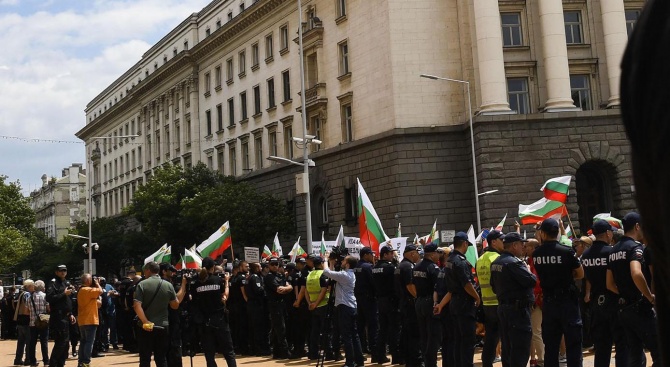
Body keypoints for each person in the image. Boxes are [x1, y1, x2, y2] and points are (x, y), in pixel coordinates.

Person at [606, 212, 659, 366]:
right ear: (637, 226)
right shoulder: (635, 248)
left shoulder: (613, 250)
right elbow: (636, 273)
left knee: (635, 355)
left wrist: (625, 293)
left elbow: (609, 284)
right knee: (659, 351)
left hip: (624, 309)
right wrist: (648, 296)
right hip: (640, 307)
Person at [532, 218, 584, 367]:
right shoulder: (567, 252)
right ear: (557, 232)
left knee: (551, 345)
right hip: (567, 301)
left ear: (542, 233)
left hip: (549, 302)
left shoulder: (537, 254)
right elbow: (580, 274)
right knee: (573, 343)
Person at [581, 220, 628, 367]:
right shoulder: (612, 252)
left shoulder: (585, 255)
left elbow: (586, 277)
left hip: (596, 304)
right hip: (614, 301)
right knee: (622, 344)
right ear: (608, 233)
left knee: (601, 347)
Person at [491, 232, 537, 367]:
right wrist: (528, 270)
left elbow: (493, 286)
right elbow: (531, 281)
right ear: (514, 245)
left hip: (504, 309)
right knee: (520, 348)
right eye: (522, 244)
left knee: (507, 347)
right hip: (518, 312)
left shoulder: (496, 262)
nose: (524, 247)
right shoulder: (514, 263)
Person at [134, 261, 188, 367]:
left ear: (148, 270)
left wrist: (145, 321)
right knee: (161, 358)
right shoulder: (168, 285)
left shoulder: (142, 284)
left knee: (145, 358)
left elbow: (136, 305)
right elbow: (175, 305)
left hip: (145, 327)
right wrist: (183, 286)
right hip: (163, 326)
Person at [191, 257, 237, 367]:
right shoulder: (217, 280)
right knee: (228, 351)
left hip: (204, 321)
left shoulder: (196, 283)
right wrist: (226, 281)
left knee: (209, 353)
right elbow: (225, 296)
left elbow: (194, 300)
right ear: (213, 267)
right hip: (219, 319)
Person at [323, 255, 365, 367]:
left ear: (347, 264)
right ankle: (359, 361)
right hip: (351, 306)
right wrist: (332, 263)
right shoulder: (348, 274)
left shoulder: (344, 275)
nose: (341, 262)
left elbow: (327, 272)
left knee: (347, 336)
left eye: (344, 261)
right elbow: (333, 276)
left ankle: (350, 362)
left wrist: (326, 259)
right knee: (354, 335)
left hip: (345, 307)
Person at [446, 232, 480, 367]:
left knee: (458, 339)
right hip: (464, 304)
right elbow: (466, 284)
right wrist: (477, 297)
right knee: (467, 340)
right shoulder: (460, 261)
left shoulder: (449, 260)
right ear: (465, 243)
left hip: (454, 302)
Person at [476, 230, 503, 367]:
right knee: (506, 337)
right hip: (499, 302)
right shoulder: (497, 259)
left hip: (487, 303)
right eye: (501, 240)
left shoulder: (480, 259)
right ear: (493, 242)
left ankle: (487, 363)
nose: (503, 242)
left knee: (491, 338)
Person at [413, 243, 442, 367]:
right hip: (430, 302)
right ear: (432, 254)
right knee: (433, 335)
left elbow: (413, 285)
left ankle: (426, 361)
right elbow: (438, 287)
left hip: (419, 302)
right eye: (437, 253)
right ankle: (431, 363)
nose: (439, 256)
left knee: (424, 334)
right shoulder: (433, 268)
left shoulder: (417, 266)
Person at [395, 244, 422, 367]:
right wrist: (419, 297)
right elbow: (410, 286)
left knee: (406, 333)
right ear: (412, 253)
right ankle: (415, 360)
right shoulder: (408, 266)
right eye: (417, 253)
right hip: (410, 304)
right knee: (414, 334)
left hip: (403, 303)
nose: (419, 256)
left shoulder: (400, 265)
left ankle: (406, 359)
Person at [372, 245, 399, 364]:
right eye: (390, 253)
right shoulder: (390, 267)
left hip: (380, 301)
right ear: (385, 255)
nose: (392, 255)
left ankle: (380, 356)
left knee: (382, 330)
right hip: (391, 301)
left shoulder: (375, 267)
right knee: (394, 330)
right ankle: (396, 357)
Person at [264, 256, 293, 359]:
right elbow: (279, 289)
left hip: (281, 304)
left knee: (278, 329)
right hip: (274, 305)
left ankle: (277, 352)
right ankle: (285, 352)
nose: (275, 266)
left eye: (276, 264)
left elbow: (288, 286)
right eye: (272, 264)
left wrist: (287, 288)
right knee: (280, 329)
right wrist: (287, 288)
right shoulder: (269, 277)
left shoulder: (280, 275)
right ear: (269, 265)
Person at [47, 265, 76, 367]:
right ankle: (53, 364)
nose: (63, 272)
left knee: (66, 343)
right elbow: (50, 298)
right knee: (61, 342)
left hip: (66, 316)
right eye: (61, 271)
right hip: (58, 316)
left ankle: (61, 363)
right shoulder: (53, 283)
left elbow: (68, 301)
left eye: (64, 270)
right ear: (56, 272)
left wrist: (71, 313)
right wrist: (64, 293)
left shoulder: (67, 283)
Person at [305, 255, 331, 360]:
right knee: (326, 330)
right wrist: (315, 303)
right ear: (321, 264)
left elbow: (305, 290)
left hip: (313, 306)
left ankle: (313, 353)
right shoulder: (323, 274)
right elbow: (324, 290)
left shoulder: (309, 274)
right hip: (323, 305)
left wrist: (310, 303)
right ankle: (329, 353)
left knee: (314, 331)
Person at [354, 247, 378, 358]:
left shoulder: (355, 266)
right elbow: (374, 283)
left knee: (360, 325)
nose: (373, 256)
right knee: (372, 325)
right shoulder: (368, 267)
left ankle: (361, 348)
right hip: (369, 299)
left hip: (358, 299)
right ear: (365, 255)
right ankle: (374, 349)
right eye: (371, 254)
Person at [77, 274, 104, 367]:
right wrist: (97, 283)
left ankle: (81, 362)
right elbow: (100, 291)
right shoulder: (87, 290)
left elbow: (98, 303)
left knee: (83, 341)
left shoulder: (81, 290)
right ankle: (86, 362)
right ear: (88, 281)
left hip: (82, 320)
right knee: (89, 342)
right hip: (90, 319)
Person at [159, 263, 183, 367]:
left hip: (164, 319)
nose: (172, 272)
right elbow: (176, 303)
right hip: (170, 319)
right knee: (173, 347)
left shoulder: (162, 283)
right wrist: (184, 286)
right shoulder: (166, 285)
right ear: (163, 271)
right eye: (170, 270)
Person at [245, 262, 270, 356]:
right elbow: (259, 290)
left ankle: (254, 348)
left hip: (252, 305)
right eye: (259, 266)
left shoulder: (249, 277)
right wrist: (266, 286)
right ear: (255, 268)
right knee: (259, 328)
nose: (261, 268)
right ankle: (260, 349)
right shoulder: (255, 277)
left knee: (254, 328)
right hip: (256, 305)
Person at [28, 280, 50, 367]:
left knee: (32, 342)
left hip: (33, 322)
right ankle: (46, 361)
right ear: (42, 287)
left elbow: (28, 310)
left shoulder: (30, 297)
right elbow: (48, 309)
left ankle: (32, 361)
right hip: (43, 321)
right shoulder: (45, 296)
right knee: (44, 342)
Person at [14, 279, 33, 366]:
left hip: (20, 320)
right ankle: (28, 359)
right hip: (26, 320)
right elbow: (26, 308)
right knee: (29, 341)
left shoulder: (21, 294)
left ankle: (18, 359)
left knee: (21, 342)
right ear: (29, 286)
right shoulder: (27, 294)